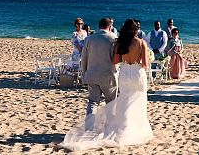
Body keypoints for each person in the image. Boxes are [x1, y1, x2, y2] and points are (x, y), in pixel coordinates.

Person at [60, 19, 152, 150]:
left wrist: (85, 72)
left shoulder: (98, 39)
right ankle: (121, 128)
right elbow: (145, 64)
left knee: (101, 102)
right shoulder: (134, 41)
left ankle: (90, 130)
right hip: (128, 75)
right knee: (124, 102)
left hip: (115, 74)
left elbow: (111, 60)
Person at [81, 18, 118, 116]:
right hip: (108, 75)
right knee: (111, 103)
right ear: (110, 27)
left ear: (99, 26)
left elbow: (84, 58)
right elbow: (116, 58)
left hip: (92, 74)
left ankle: (89, 128)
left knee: (92, 102)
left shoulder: (90, 38)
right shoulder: (114, 38)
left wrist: (85, 73)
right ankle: (109, 127)